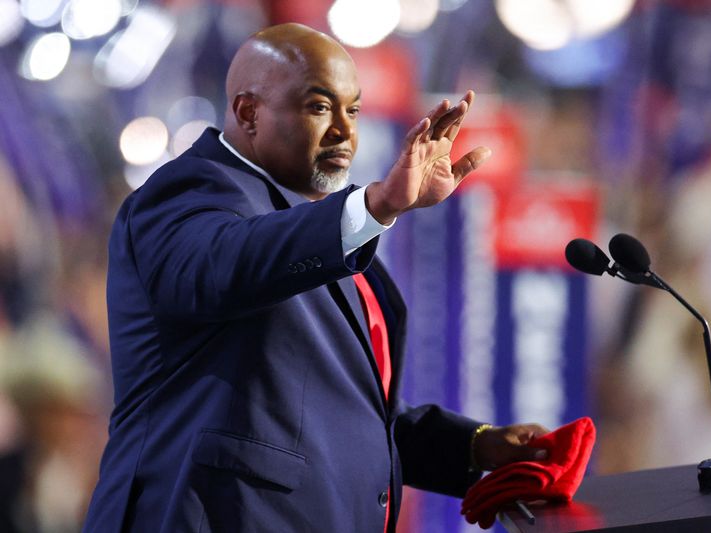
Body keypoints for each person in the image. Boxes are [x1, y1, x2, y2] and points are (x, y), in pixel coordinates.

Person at [84, 23, 548, 532]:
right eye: (318, 107)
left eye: (353, 110)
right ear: (247, 112)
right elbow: (227, 263)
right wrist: (374, 206)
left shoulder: (320, 229)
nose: (344, 132)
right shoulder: (187, 194)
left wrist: (477, 445)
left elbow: (344, 415)